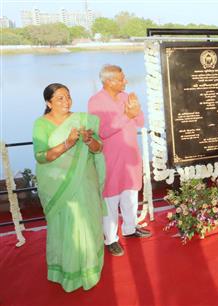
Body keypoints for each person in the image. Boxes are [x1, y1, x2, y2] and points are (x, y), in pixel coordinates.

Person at [33, 83, 105, 292]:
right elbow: (41, 157)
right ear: (48, 103)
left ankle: (90, 269)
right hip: (59, 186)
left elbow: (99, 148)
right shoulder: (41, 124)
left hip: (85, 181)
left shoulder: (82, 120)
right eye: (60, 99)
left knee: (88, 223)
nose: (66, 102)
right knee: (67, 226)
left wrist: (89, 139)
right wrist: (68, 143)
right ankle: (67, 271)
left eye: (68, 97)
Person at [88, 65, 151, 257]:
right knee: (110, 200)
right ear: (109, 81)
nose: (126, 81)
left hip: (130, 156)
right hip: (110, 160)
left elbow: (140, 123)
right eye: (122, 79)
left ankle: (130, 229)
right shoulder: (96, 102)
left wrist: (137, 110)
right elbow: (102, 132)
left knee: (131, 195)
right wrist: (127, 116)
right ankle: (111, 239)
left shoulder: (126, 97)